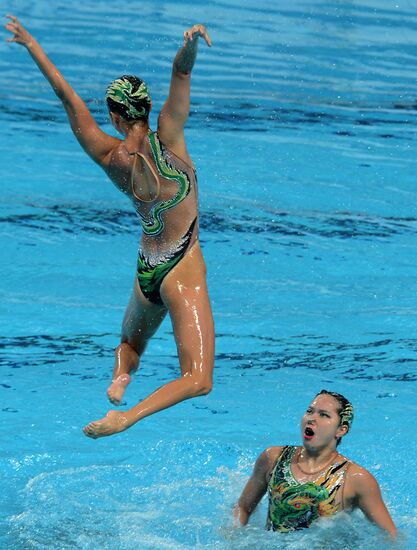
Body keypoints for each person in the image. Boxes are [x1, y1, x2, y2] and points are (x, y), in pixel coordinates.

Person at [5, 15, 214, 438]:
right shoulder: (169, 138)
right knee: (198, 378)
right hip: (181, 268)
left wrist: (32, 46)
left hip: (146, 269)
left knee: (132, 345)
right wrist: (190, 42)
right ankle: (126, 416)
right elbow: (182, 70)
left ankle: (121, 375)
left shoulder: (107, 155)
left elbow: (67, 98)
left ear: (116, 119)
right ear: (148, 109)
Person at [234, 390, 397, 537]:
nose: (312, 418)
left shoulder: (356, 479)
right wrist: (234, 536)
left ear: (341, 430)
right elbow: (243, 507)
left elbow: (390, 535)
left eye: (324, 415)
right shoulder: (273, 458)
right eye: (309, 411)